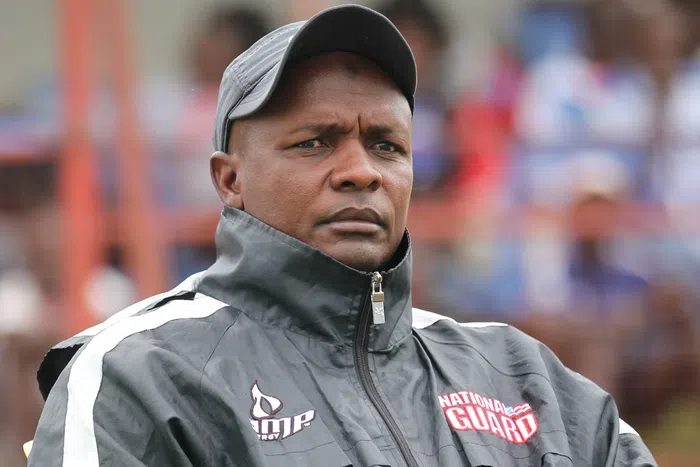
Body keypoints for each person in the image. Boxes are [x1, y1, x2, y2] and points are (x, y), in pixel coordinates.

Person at [28, 5, 657, 466]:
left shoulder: (522, 377)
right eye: (314, 143)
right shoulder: (141, 375)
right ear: (229, 180)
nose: (361, 171)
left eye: (386, 145)